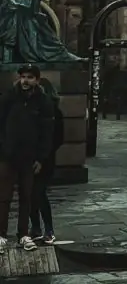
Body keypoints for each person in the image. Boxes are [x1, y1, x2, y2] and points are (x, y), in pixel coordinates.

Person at [0, 64, 54, 253]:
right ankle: (1, 236)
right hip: (8, 156)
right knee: (4, 197)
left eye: (30, 77)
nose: (25, 81)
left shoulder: (43, 101)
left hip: (29, 158)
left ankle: (23, 235)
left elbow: (47, 133)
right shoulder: (9, 97)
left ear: (37, 80)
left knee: (26, 198)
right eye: (23, 76)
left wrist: (41, 158)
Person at [29, 77, 64, 244]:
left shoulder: (55, 112)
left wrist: (44, 154)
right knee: (30, 194)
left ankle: (48, 228)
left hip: (45, 159)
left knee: (39, 193)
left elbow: (58, 138)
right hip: (28, 158)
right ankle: (35, 228)